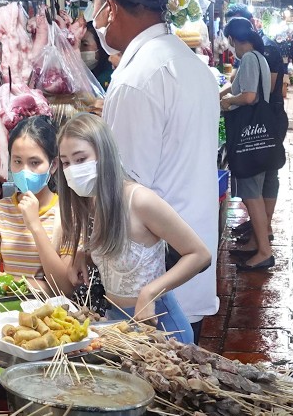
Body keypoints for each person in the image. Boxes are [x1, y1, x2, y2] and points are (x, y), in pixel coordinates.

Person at [83, 0, 221, 341]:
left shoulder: (137, 79)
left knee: (159, 375)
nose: (94, 20)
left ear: (110, 8)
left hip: (153, 286)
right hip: (187, 263)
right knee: (187, 364)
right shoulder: (190, 63)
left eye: (94, 7)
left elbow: (124, 188)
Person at [46, 114, 210, 344]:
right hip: (118, 326)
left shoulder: (140, 200)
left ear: (104, 155)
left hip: (161, 328)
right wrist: (84, 255)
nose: (72, 169)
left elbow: (200, 254)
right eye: (66, 163)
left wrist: (151, 291)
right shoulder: (92, 201)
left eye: (81, 159)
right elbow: (116, 254)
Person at [220, 18, 282, 272]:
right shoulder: (260, 57)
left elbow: (248, 97)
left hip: (248, 136)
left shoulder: (247, 59)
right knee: (260, 188)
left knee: (250, 193)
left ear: (233, 39)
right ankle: (258, 241)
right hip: (263, 134)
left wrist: (227, 102)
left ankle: (264, 252)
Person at [0, 115, 71, 288]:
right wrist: (41, 285)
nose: (24, 171)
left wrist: (35, 225)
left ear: (53, 165)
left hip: (51, 307)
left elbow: (65, 287)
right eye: (17, 161)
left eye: (34, 162)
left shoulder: (67, 212)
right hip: (8, 305)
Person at [77, 21, 115, 88]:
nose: (79, 50)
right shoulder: (83, 73)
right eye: (78, 44)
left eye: (85, 45)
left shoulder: (110, 77)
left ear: (101, 46)